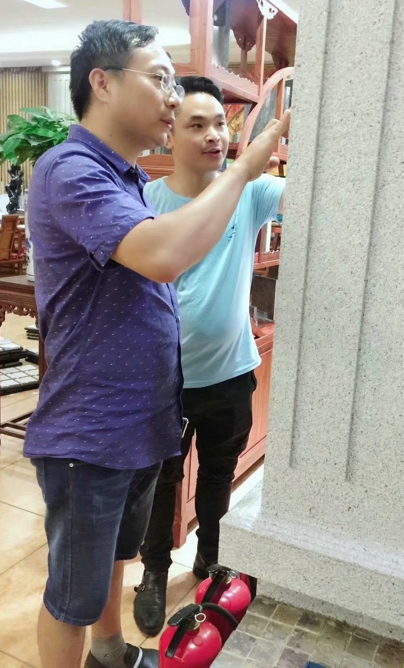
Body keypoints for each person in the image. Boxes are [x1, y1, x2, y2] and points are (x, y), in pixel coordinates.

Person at [24, 20, 289, 668]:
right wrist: (244, 167)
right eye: (161, 80)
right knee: (72, 595)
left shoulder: (122, 177)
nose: (172, 98)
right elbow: (163, 255)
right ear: (103, 83)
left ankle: (110, 654)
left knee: (116, 557)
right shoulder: (71, 171)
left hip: (139, 417)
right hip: (91, 428)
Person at [133, 76, 285, 637]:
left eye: (220, 123)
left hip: (230, 372)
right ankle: (153, 571)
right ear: (169, 134)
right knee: (160, 481)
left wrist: (288, 125)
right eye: (196, 125)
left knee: (219, 475)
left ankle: (210, 559)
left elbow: (322, 188)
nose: (213, 135)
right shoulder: (145, 201)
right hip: (161, 378)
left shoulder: (250, 191)